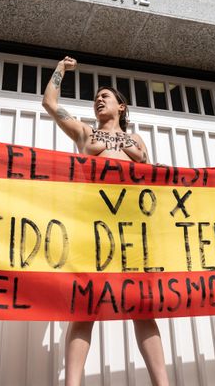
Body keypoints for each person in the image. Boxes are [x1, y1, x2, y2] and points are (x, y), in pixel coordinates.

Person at [42, 56, 169, 386]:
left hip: (132, 230)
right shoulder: (85, 133)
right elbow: (50, 103)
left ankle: (162, 383)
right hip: (93, 229)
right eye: (96, 97)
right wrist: (60, 70)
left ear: (122, 107)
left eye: (106, 96)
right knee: (86, 307)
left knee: (142, 308)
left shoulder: (137, 141)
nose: (99, 99)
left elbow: (151, 183)